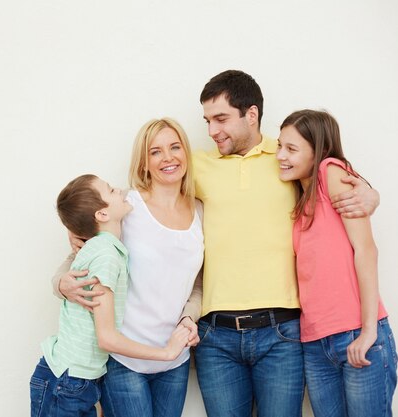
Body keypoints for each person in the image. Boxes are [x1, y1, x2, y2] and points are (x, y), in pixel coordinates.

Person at [191, 70, 380, 417]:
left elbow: (331, 174)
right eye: (207, 121)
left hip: (282, 333)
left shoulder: (286, 162)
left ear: (251, 114)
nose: (212, 131)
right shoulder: (197, 165)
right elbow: (146, 203)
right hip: (215, 336)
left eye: (221, 118)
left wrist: (369, 193)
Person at [52, 118, 205, 417]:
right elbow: (76, 260)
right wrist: (60, 284)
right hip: (124, 360)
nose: (168, 157)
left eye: (175, 147)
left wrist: (189, 318)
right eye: (156, 151)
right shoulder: (126, 206)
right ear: (144, 162)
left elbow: (198, 283)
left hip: (175, 360)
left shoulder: (200, 209)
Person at [30, 174, 190, 417]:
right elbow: (107, 338)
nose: (120, 191)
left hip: (79, 380)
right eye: (112, 190)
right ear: (102, 215)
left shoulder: (104, 248)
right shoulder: (106, 256)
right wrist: (166, 353)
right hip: (65, 382)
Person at [276, 109, 397, 417]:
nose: (280, 156)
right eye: (279, 146)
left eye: (291, 149)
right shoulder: (301, 198)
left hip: (357, 332)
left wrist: (368, 331)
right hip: (315, 343)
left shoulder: (330, 171)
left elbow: (366, 251)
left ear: (317, 151)